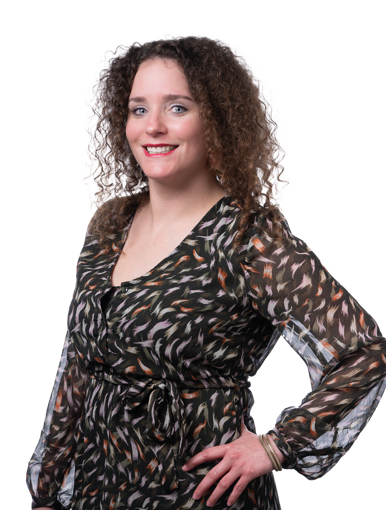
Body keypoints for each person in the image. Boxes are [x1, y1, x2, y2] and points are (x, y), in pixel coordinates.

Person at [26, 33, 386, 510]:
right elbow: (78, 365)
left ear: (215, 120)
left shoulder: (248, 237)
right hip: (99, 488)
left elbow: (364, 352)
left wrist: (275, 445)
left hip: (199, 492)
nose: (153, 126)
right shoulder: (110, 224)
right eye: (138, 109)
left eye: (177, 108)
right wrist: (45, 490)